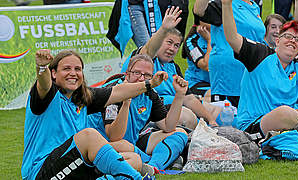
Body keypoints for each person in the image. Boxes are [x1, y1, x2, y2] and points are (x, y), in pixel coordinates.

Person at [21, 49, 168, 180]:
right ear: (54, 73)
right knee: (89, 136)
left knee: (134, 159)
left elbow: (118, 91)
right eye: (66, 69)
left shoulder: (83, 99)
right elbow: (44, 83)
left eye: (77, 69)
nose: (73, 73)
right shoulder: (48, 95)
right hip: (41, 173)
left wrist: (150, 84)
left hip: (74, 164)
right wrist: (42, 67)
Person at [221, 0, 298, 146]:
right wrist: (226, 5)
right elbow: (232, 38)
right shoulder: (260, 54)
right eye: (288, 36)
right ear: (278, 40)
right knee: (285, 112)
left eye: (297, 39)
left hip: (291, 119)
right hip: (256, 125)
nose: (292, 41)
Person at [93, 54, 188, 174]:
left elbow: (168, 126)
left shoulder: (150, 94)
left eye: (147, 75)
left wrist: (179, 95)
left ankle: (152, 167)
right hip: (108, 144)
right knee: (123, 145)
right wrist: (126, 102)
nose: (142, 79)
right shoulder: (114, 91)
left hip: (132, 143)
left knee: (180, 133)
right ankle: (160, 160)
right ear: (127, 73)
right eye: (137, 73)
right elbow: (114, 137)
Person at [193, 0, 266, 107]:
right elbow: (199, 11)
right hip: (228, 75)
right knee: (227, 118)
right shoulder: (223, 3)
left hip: (251, 72)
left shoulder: (254, 6)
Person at [106, 0, 189, 56]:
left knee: (164, 50)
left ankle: (159, 78)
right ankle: (147, 79)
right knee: (148, 52)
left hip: (164, 6)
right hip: (136, 5)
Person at [182, 16, 212, 102]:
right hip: (197, 83)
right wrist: (209, 40)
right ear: (200, 22)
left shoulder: (223, 35)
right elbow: (206, 66)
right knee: (216, 97)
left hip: (217, 83)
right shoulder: (192, 41)